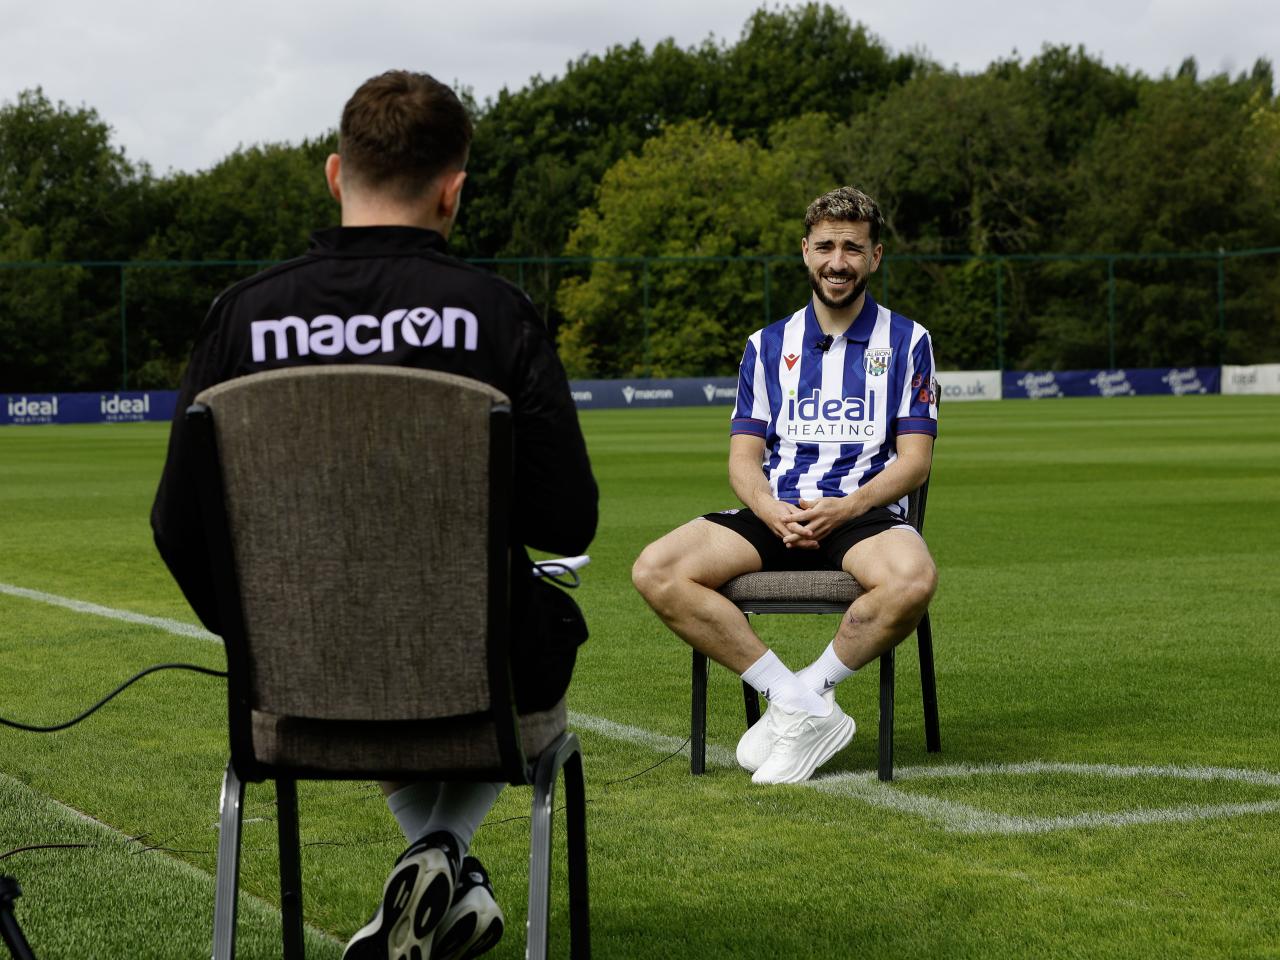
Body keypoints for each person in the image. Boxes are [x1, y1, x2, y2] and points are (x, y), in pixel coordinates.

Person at [150, 70, 597, 960]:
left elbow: (176, 526)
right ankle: (445, 853)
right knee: (546, 622)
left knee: (386, 648)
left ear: (333, 173)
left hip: (300, 686)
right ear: (453, 189)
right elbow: (567, 522)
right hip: (477, 681)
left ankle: (440, 866)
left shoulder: (243, 318)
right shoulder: (496, 314)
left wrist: (271, 647)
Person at [632, 186, 937, 785]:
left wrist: (848, 505)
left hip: (862, 513)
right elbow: (743, 458)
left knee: (914, 579)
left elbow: (914, 462)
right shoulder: (767, 345)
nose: (838, 261)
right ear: (805, 251)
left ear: (875, 257)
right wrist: (769, 508)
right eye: (825, 246)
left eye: (853, 248)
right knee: (656, 569)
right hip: (777, 512)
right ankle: (796, 702)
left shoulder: (908, 341)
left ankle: (813, 690)